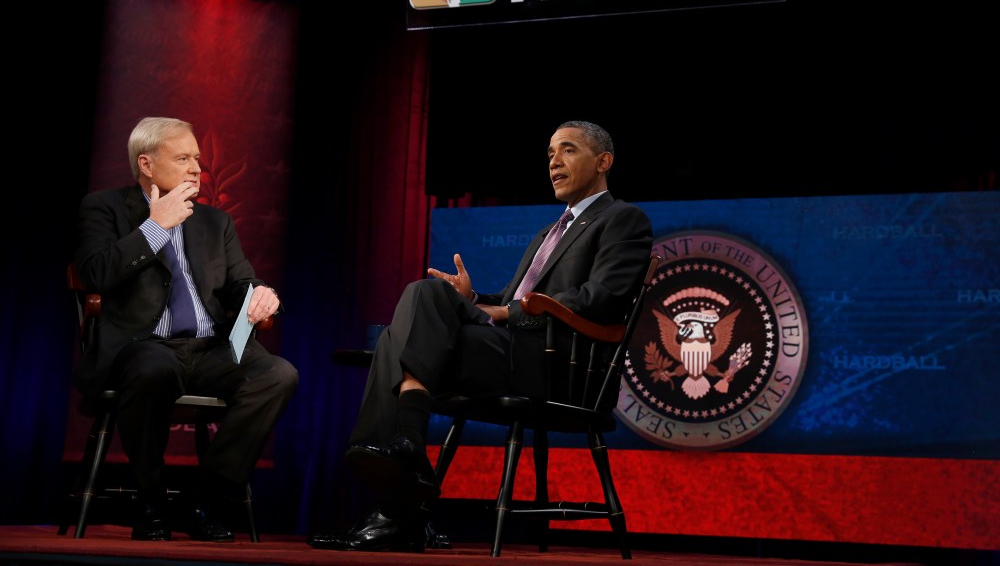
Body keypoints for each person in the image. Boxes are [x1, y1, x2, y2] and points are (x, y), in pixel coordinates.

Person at [307, 120, 653, 552]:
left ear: (603, 162)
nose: (554, 162)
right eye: (549, 153)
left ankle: (396, 478)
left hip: (556, 365)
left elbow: (602, 298)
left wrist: (507, 311)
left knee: (398, 342)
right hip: (511, 350)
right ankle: (405, 460)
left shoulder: (622, 219)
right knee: (426, 293)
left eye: (568, 150)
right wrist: (473, 298)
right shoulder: (548, 232)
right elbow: (511, 300)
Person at [72, 116, 299, 542]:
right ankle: (151, 500)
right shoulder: (104, 208)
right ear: (146, 164)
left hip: (209, 349)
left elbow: (240, 282)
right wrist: (154, 227)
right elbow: (95, 274)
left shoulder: (214, 221)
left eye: (196, 158)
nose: (197, 168)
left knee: (277, 374)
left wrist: (262, 294)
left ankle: (205, 500)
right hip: (143, 346)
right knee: (153, 369)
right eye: (183, 159)